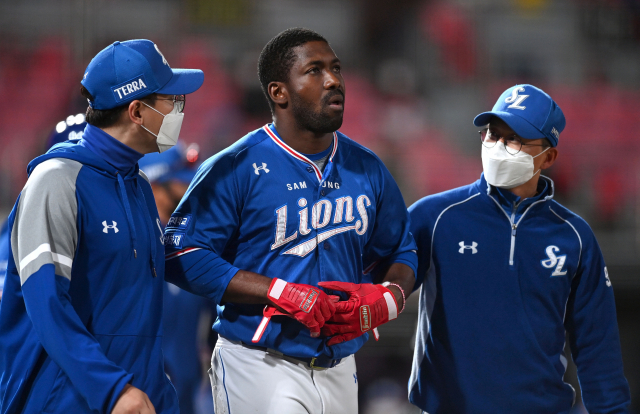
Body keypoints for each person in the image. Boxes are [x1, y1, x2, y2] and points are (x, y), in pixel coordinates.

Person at [163, 27, 418, 414]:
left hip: (340, 366)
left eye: (335, 68)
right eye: (314, 70)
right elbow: (179, 253)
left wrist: (391, 297)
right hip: (260, 361)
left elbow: (401, 249)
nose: (333, 80)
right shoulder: (236, 167)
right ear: (279, 92)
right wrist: (278, 291)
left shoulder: (367, 167)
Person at [0, 39, 203, 414]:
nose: (179, 109)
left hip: (134, 400)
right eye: (170, 99)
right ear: (137, 111)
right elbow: (47, 305)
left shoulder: (138, 185)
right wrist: (112, 389)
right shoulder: (56, 180)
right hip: (65, 401)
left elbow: (139, 316)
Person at [408, 84, 631, 413]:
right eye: (492, 134)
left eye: (513, 139)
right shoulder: (434, 216)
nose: (498, 146)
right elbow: (379, 285)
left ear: (549, 156)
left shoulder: (575, 237)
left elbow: (598, 348)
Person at [138, 143, 217, 414]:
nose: (191, 187)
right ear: (155, 182)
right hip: (139, 389)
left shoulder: (197, 241)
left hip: (187, 390)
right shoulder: (134, 242)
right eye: (182, 180)